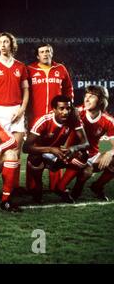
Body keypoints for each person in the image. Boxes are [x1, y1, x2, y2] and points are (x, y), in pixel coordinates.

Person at [0, 32, 28, 195]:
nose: (2, 45)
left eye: (6, 42)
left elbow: (26, 90)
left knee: (16, 150)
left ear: (12, 45)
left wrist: (22, 110)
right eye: (0, 42)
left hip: (16, 110)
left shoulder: (20, 66)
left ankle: (13, 186)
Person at [23, 95, 89, 204]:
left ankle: (61, 188)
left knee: (83, 155)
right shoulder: (44, 120)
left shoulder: (74, 119)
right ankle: (38, 187)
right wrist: (50, 149)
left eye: (68, 108)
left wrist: (73, 148)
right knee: (34, 157)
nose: (65, 112)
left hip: (59, 153)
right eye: (61, 108)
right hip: (42, 154)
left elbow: (86, 143)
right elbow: (26, 147)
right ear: (54, 109)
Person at [26, 44, 74, 192]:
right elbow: (25, 92)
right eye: (42, 52)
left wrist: (68, 110)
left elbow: (69, 90)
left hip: (57, 119)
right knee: (34, 151)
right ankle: (32, 186)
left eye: (48, 51)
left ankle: (55, 184)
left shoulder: (61, 69)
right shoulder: (30, 70)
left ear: (52, 53)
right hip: (36, 118)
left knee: (57, 149)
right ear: (37, 55)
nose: (45, 54)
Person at [58, 85, 114, 201]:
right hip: (73, 152)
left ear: (101, 100)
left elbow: (112, 143)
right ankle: (70, 189)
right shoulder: (76, 113)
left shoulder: (108, 120)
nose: (86, 99)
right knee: (86, 171)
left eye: (92, 96)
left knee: (110, 159)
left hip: (93, 154)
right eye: (86, 96)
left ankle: (97, 186)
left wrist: (109, 153)